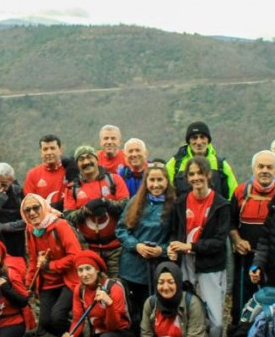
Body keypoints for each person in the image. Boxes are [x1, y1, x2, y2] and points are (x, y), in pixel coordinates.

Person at [168, 156, 231, 337]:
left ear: (208, 174)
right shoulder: (180, 203)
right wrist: (172, 248)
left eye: (200, 173)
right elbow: (174, 233)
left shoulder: (221, 205)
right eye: (191, 174)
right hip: (185, 264)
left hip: (210, 265)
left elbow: (220, 242)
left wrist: (190, 246)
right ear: (187, 178)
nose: (196, 178)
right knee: (187, 314)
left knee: (216, 321)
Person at [22, 193, 82, 337]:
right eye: (27, 210)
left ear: (44, 206)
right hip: (48, 283)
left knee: (57, 317)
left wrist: (51, 266)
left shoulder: (60, 225)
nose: (32, 212)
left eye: (36, 208)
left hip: (68, 280)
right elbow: (33, 259)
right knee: (46, 322)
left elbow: (76, 256)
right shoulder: (31, 230)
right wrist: (28, 284)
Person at [116, 160, 173, 323]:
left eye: (160, 180)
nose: (156, 185)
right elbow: (121, 229)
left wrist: (161, 250)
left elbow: (176, 237)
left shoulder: (173, 205)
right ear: (146, 182)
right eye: (152, 180)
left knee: (155, 310)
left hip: (158, 268)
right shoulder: (135, 201)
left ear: (167, 182)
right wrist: (137, 245)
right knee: (133, 311)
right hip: (131, 268)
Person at [60, 250, 135, 337]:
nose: (84, 274)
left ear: (97, 269)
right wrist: (71, 336)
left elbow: (113, 326)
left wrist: (109, 304)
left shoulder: (114, 288)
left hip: (121, 333)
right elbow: (77, 319)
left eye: (88, 268)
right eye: (80, 270)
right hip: (98, 336)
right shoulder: (79, 290)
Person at [63, 145, 130, 277]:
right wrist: (86, 210)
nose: (86, 162)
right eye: (81, 159)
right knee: (93, 289)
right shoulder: (72, 188)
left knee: (116, 286)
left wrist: (106, 203)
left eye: (89, 157)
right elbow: (68, 218)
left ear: (97, 159)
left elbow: (126, 207)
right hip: (89, 249)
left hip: (115, 248)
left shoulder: (114, 180)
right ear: (77, 164)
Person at [229, 151, 275, 323]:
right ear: (253, 169)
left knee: (269, 305)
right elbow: (230, 222)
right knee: (241, 305)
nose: (265, 170)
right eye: (260, 166)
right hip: (245, 258)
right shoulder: (240, 192)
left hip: (272, 261)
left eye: (269, 167)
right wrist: (237, 240)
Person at [139, 262, 216, 337]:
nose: (165, 287)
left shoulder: (192, 303)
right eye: (161, 282)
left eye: (171, 282)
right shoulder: (150, 304)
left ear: (178, 283)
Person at [166, 121, 238, 199]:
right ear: (189, 141)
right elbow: (166, 194)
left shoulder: (221, 165)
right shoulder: (175, 164)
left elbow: (234, 195)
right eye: (194, 138)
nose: (199, 142)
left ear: (208, 140)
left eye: (202, 137)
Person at [23, 134, 68, 210]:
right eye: (45, 149)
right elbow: (29, 204)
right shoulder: (32, 175)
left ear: (60, 151)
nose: (49, 152)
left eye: (52, 148)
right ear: (41, 153)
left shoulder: (69, 171)